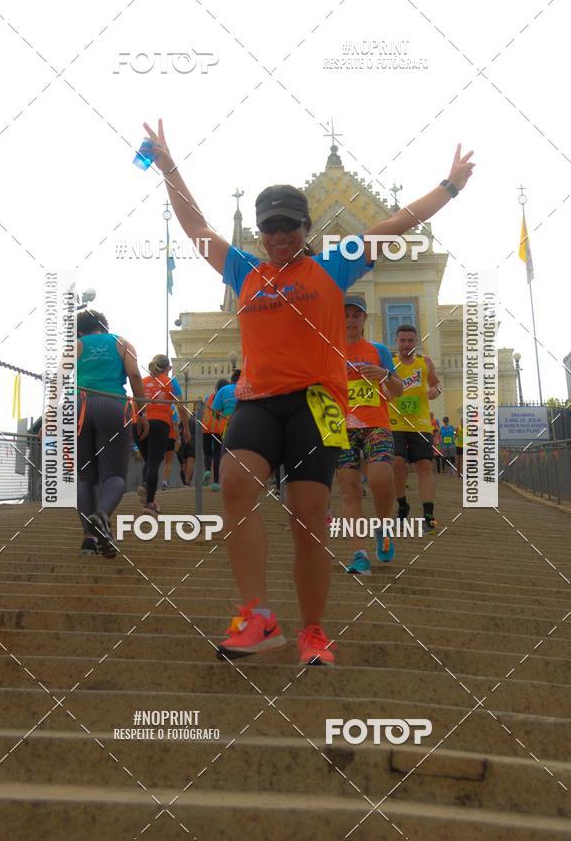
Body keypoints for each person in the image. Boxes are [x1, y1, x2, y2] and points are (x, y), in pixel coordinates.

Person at [143, 117, 474, 666]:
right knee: (233, 486)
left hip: (316, 405)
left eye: (289, 227)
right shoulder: (244, 270)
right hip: (258, 401)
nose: (279, 237)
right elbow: (196, 225)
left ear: (306, 227)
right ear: (259, 231)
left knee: (308, 514)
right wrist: (169, 166)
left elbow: (398, 222)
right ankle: (257, 616)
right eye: (269, 227)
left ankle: (314, 631)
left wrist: (451, 186)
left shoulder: (332, 267)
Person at [336, 294, 403, 575]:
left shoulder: (378, 350)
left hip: (376, 423)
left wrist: (384, 375)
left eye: (356, 315)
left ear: (364, 319)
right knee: (350, 489)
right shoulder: (329, 351)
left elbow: (399, 390)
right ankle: (359, 554)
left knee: (380, 479)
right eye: (346, 315)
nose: (351, 319)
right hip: (342, 427)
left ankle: (383, 526)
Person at [76, 310, 148, 557]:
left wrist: (50, 419)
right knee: (114, 474)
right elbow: (135, 375)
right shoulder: (122, 343)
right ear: (105, 327)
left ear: (80, 331)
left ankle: (88, 539)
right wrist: (142, 412)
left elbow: (58, 382)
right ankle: (102, 515)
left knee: (86, 477)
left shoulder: (76, 346)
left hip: (78, 407)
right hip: (112, 405)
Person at [390, 324, 442, 533]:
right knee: (396, 463)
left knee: (424, 466)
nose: (406, 345)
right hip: (395, 421)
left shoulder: (425, 362)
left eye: (410, 340)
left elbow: (436, 384)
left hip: (420, 423)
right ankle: (402, 505)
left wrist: (435, 391)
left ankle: (429, 516)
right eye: (402, 340)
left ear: (416, 342)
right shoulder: (390, 363)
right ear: (396, 341)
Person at [135, 354, 189, 513]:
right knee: (153, 463)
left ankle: (145, 484)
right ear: (167, 368)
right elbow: (181, 407)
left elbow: (135, 403)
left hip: (137, 423)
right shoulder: (171, 382)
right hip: (159, 423)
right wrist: (186, 428)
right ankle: (150, 503)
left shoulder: (143, 381)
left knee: (148, 461)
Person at [209, 369, 241, 491]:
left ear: (231, 380)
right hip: (242, 423)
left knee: (219, 453)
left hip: (225, 425)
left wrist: (222, 418)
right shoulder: (247, 389)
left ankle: (216, 482)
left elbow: (214, 411)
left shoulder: (223, 390)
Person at [202, 378, 229, 488]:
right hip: (217, 428)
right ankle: (216, 482)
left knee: (207, 453)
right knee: (217, 454)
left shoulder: (208, 398)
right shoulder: (224, 398)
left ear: (216, 388)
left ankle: (207, 470)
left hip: (206, 427)